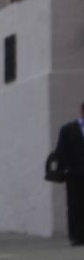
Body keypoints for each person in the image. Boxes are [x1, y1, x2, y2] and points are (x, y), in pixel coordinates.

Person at [51, 104, 84, 245]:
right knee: (75, 205)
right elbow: (61, 151)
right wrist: (65, 170)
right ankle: (76, 236)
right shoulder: (69, 129)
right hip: (76, 174)